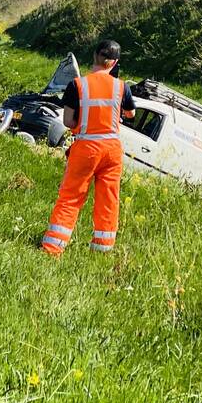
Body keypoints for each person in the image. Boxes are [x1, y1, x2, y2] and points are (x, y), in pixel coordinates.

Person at [42, 40, 136, 257]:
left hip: (86, 147)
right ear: (115, 62)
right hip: (112, 149)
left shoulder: (78, 85)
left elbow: (68, 122)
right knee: (108, 197)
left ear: (94, 56)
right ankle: (102, 249)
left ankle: (53, 247)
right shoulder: (122, 87)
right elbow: (131, 114)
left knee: (71, 196)